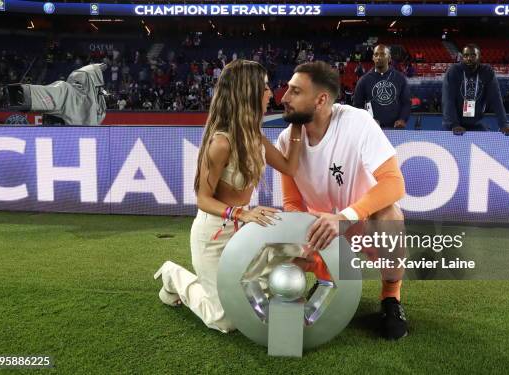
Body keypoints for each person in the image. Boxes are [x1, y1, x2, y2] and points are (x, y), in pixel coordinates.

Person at [153, 60, 304, 333]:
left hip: (244, 230)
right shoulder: (220, 143)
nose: (271, 93)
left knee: (294, 249)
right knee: (224, 320)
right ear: (249, 92)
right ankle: (172, 277)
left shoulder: (254, 136)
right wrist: (241, 213)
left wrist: (295, 125)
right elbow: (202, 198)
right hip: (214, 236)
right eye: (266, 87)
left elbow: (289, 166)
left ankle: (253, 289)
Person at [277, 61, 408, 340]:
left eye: (294, 91)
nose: (284, 98)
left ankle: (390, 298)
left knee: (390, 217)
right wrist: (304, 235)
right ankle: (326, 279)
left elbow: (394, 183)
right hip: (321, 227)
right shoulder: (286, 140)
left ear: (321, 99)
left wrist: (346, 216)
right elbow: (291, 201)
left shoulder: (357, 122)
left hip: (359, 221)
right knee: (282, 258)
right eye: (287, 90)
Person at [442, 44, 509, 135]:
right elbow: (448, 99)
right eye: (465, 56)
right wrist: (454, 124)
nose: (469, 58)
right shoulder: (454, 71)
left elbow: (496, 99)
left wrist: (504, 124)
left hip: (476, 123)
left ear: (480, 56)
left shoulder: (487, 72)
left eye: (473, 55)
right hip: (453, 125)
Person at [353, 45, 411, 129]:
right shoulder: (364, 80)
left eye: (382, 54)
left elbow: (406, 103)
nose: (379, 57)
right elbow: (357, 106)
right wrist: (368, 120)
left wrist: (402, 119)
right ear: (373, 58)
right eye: (376, 55)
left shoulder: (400, 78)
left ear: (389, 58)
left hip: (395, 129)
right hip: (371, 129)